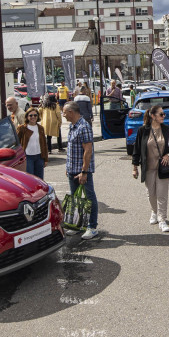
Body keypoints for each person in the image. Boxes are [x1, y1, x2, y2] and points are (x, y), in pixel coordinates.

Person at [131, 104, 169, 233]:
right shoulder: (143, 131)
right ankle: (154, 211)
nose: (163, 116)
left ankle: (162, 220)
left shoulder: (167, 129)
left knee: (162, 195)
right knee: (151, 194)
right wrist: (135, 167)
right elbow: (136, 150)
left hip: (163, 167)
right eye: (161, 114)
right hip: (148, 168)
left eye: (163, 114)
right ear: (153, 116)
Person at [62, 102, 100, 239]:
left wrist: (84, 171)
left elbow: (87, 151)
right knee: (75, 198)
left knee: (89, 197)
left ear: (72, 112)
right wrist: (68, 167)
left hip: (82, 170)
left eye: (65, 112)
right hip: (72, 169)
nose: (63, 115)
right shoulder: (73, 126)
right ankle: (77, 225)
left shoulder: (83, 126)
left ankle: (92, 226)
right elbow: (72, 149)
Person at [16, 108, 49, 179]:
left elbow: (44, 144)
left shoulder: (40, 128)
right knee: (30, 178)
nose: (33, 117)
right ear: (27, 117)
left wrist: (45, 159)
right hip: (28, 157)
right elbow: (17, 143)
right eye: (30, 115)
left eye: (35, 115)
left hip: (39, 157)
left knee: (39, 179)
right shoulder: (22, 128)